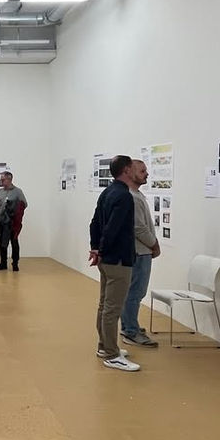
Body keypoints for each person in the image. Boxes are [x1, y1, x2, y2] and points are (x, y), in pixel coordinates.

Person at [88, 155, 140, 372]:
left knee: (104, 305)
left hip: (106, 259)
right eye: (134, 168)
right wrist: (102, 250)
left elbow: (94, 224)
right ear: (126, 170)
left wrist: (96, 249)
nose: (137, 171)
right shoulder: (124, 196)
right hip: (118, 260)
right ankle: (111, 354)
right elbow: (112, 229)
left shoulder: (107, 192)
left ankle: (104, 346)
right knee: (112, 308)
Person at [121, 158, 161, 349]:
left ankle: (129, 325)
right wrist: (154, 244)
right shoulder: (133, 197)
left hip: (140, 250)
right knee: (135, 292)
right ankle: (130, 331)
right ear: (130, 172)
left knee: (132, 291)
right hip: (140, 251)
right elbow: (138, 227)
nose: (147, 174)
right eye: (142, 171)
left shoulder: (136, 195)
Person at [0, 170, 27, 271]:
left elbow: (24, 204)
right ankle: (3, 263)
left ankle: (15, 263)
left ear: (9, 179)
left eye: (3, 180)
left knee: (14, 241)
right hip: (1, 220)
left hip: (12, 222)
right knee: (2, 242)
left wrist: (14, 209)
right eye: (0, 180)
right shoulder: (0, 191)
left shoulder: (18, 191)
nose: (1, 182)